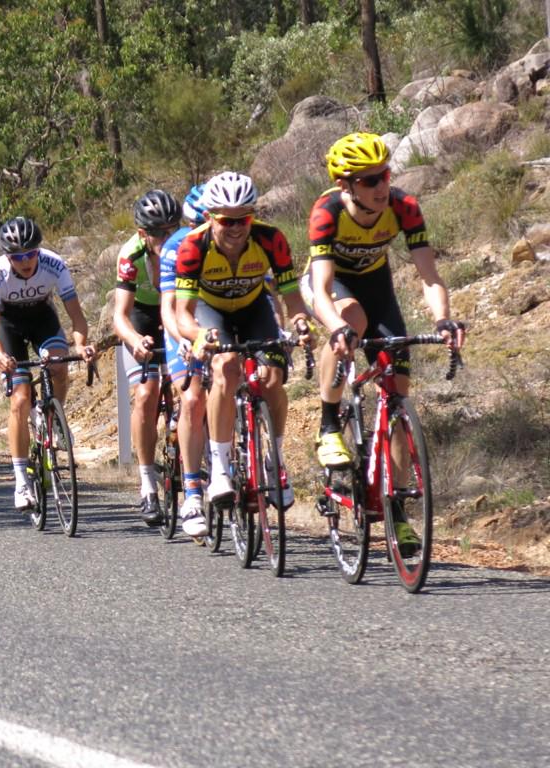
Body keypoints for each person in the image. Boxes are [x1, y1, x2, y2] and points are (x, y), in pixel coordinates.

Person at [303, 132, 465, 552]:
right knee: (351, 319)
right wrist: (336, 327)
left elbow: (428, 276)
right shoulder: (328, 211)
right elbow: (320, 288)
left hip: (377, 285)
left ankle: (397, 511)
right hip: (330, 283)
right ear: (346, 185)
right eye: (370, 180)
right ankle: (327, 423)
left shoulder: (404, 206)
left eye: (385, 175)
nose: (381, 187)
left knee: (397, 386)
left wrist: (443, 319)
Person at [175, 172, 313, 509]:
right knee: (225, 367)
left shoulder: (271, 239)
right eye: (227, 220)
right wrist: (198, 336)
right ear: (209, 217)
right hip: (211, 311)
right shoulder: (193, 246)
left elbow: (291, 294)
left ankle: (275, 461)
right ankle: (220, 468)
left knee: (272, 378)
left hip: (254, 308)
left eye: (244, 219)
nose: (236, 228)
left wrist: (299, 321)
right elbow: (183, 313)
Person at [0, 217, 96, 511]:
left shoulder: (54, 264)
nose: (25, 261)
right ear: (8, 257)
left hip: (42, 319)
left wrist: (81, 344)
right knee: (19, 400)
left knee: (59, 365)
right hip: (9, 326)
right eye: (18, 256)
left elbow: (77, 317)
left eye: (31, 253)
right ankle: (21, 481)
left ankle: (54, 416)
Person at [113, 189, 181, 526]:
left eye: (172, 229)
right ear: (143, 234)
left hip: (177, 312)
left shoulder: (187, 248)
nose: (166, 238)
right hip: (141, 316)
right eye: (157, 232)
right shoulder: (130, 255)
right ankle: (147, 484)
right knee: (146, 393)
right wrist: (136, 341)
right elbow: (120, 316)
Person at [158, 183, 213, 537]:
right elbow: (168, 308)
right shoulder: (176, 246)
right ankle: (192, 492)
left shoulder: (245, 238)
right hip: (184, 320)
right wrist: (183, 341)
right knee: (193, 398)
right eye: (199, 223)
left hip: (225, 313)